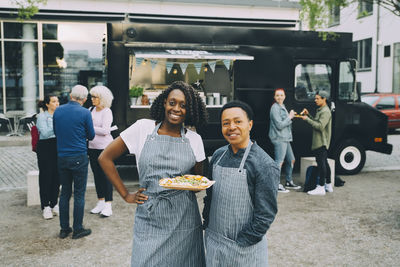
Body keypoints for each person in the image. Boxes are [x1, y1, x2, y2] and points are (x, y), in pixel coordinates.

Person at [98, 81, 208, 266]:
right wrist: (126, 195)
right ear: (164, 102)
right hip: (150, 216)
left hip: (184, 219)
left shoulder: (194, 140)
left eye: (184, 105)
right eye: (172, 102)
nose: (177, 109)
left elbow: (196, 184)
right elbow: (105, 158)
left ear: (190, 110)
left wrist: (183, 183)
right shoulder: (142, 128)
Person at [203, 100, 279, 266]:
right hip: (214, 243)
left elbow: (265, 214)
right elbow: (210, 195)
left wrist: (242, 241)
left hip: (243, 250)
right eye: (226, 123)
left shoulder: (264, 164)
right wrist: (207, 225)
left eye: (238, 121)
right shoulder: (217, 156)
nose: (231, 127)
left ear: (250, 124)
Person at [53, 85, 95, 239]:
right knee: (79, 194)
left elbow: (56, 132)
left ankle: (64, 229)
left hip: (62, 157)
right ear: (84, 99)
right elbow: (91, 136)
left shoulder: (58, 111)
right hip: (78, 156)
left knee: (64, 193)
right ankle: (77, 229)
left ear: (71, 95)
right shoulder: (85, 112)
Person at [88, 86, 115, 217]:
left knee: (106, 176)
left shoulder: (107, 111)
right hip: (92, 147)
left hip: (105, 148)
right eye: (92, 96)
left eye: (95, 97)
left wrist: (90, 128)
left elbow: (105, 131)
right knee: (97, 175)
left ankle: (108, 205)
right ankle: (101, 202)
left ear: (102, 98)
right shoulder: (90, 110)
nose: (92, 99)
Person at [299, 91, 332, 196]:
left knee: (321, 164)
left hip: (321, 142)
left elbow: (320, 126)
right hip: (320, 141)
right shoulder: (321, 110)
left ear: (324, 99)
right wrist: (308, 115)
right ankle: (328, 185)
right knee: (325, 163)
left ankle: (321, 187)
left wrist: (307, 119)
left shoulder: (325, 111)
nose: (315, 100)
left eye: (317, 98)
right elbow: (317, 122)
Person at [269, 88, 301, 193]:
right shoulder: (275, 108)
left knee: (291, 159)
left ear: (284, 96)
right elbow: (279, 125)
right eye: (277, 95)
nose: (279, 97)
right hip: (279, 138)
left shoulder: (282, 106)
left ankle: (288, 181)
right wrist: (290, 117)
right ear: (274, 97)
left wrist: (290, 116)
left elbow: (284, 122)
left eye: (281, 95)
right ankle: (276, 184)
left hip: (285, 138)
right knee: (279, 162)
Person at [36, 94, 60, 219]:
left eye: (57, 101)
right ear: (47, 104)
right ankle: (45, 206)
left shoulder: (59, 116)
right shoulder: (42, 117)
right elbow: (44, 133)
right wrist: (58, 129)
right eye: (54, 101)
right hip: (45, 147)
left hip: (57, 146)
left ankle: (54, 203)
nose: (57, 103)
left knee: (57, 175)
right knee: (46, 176)